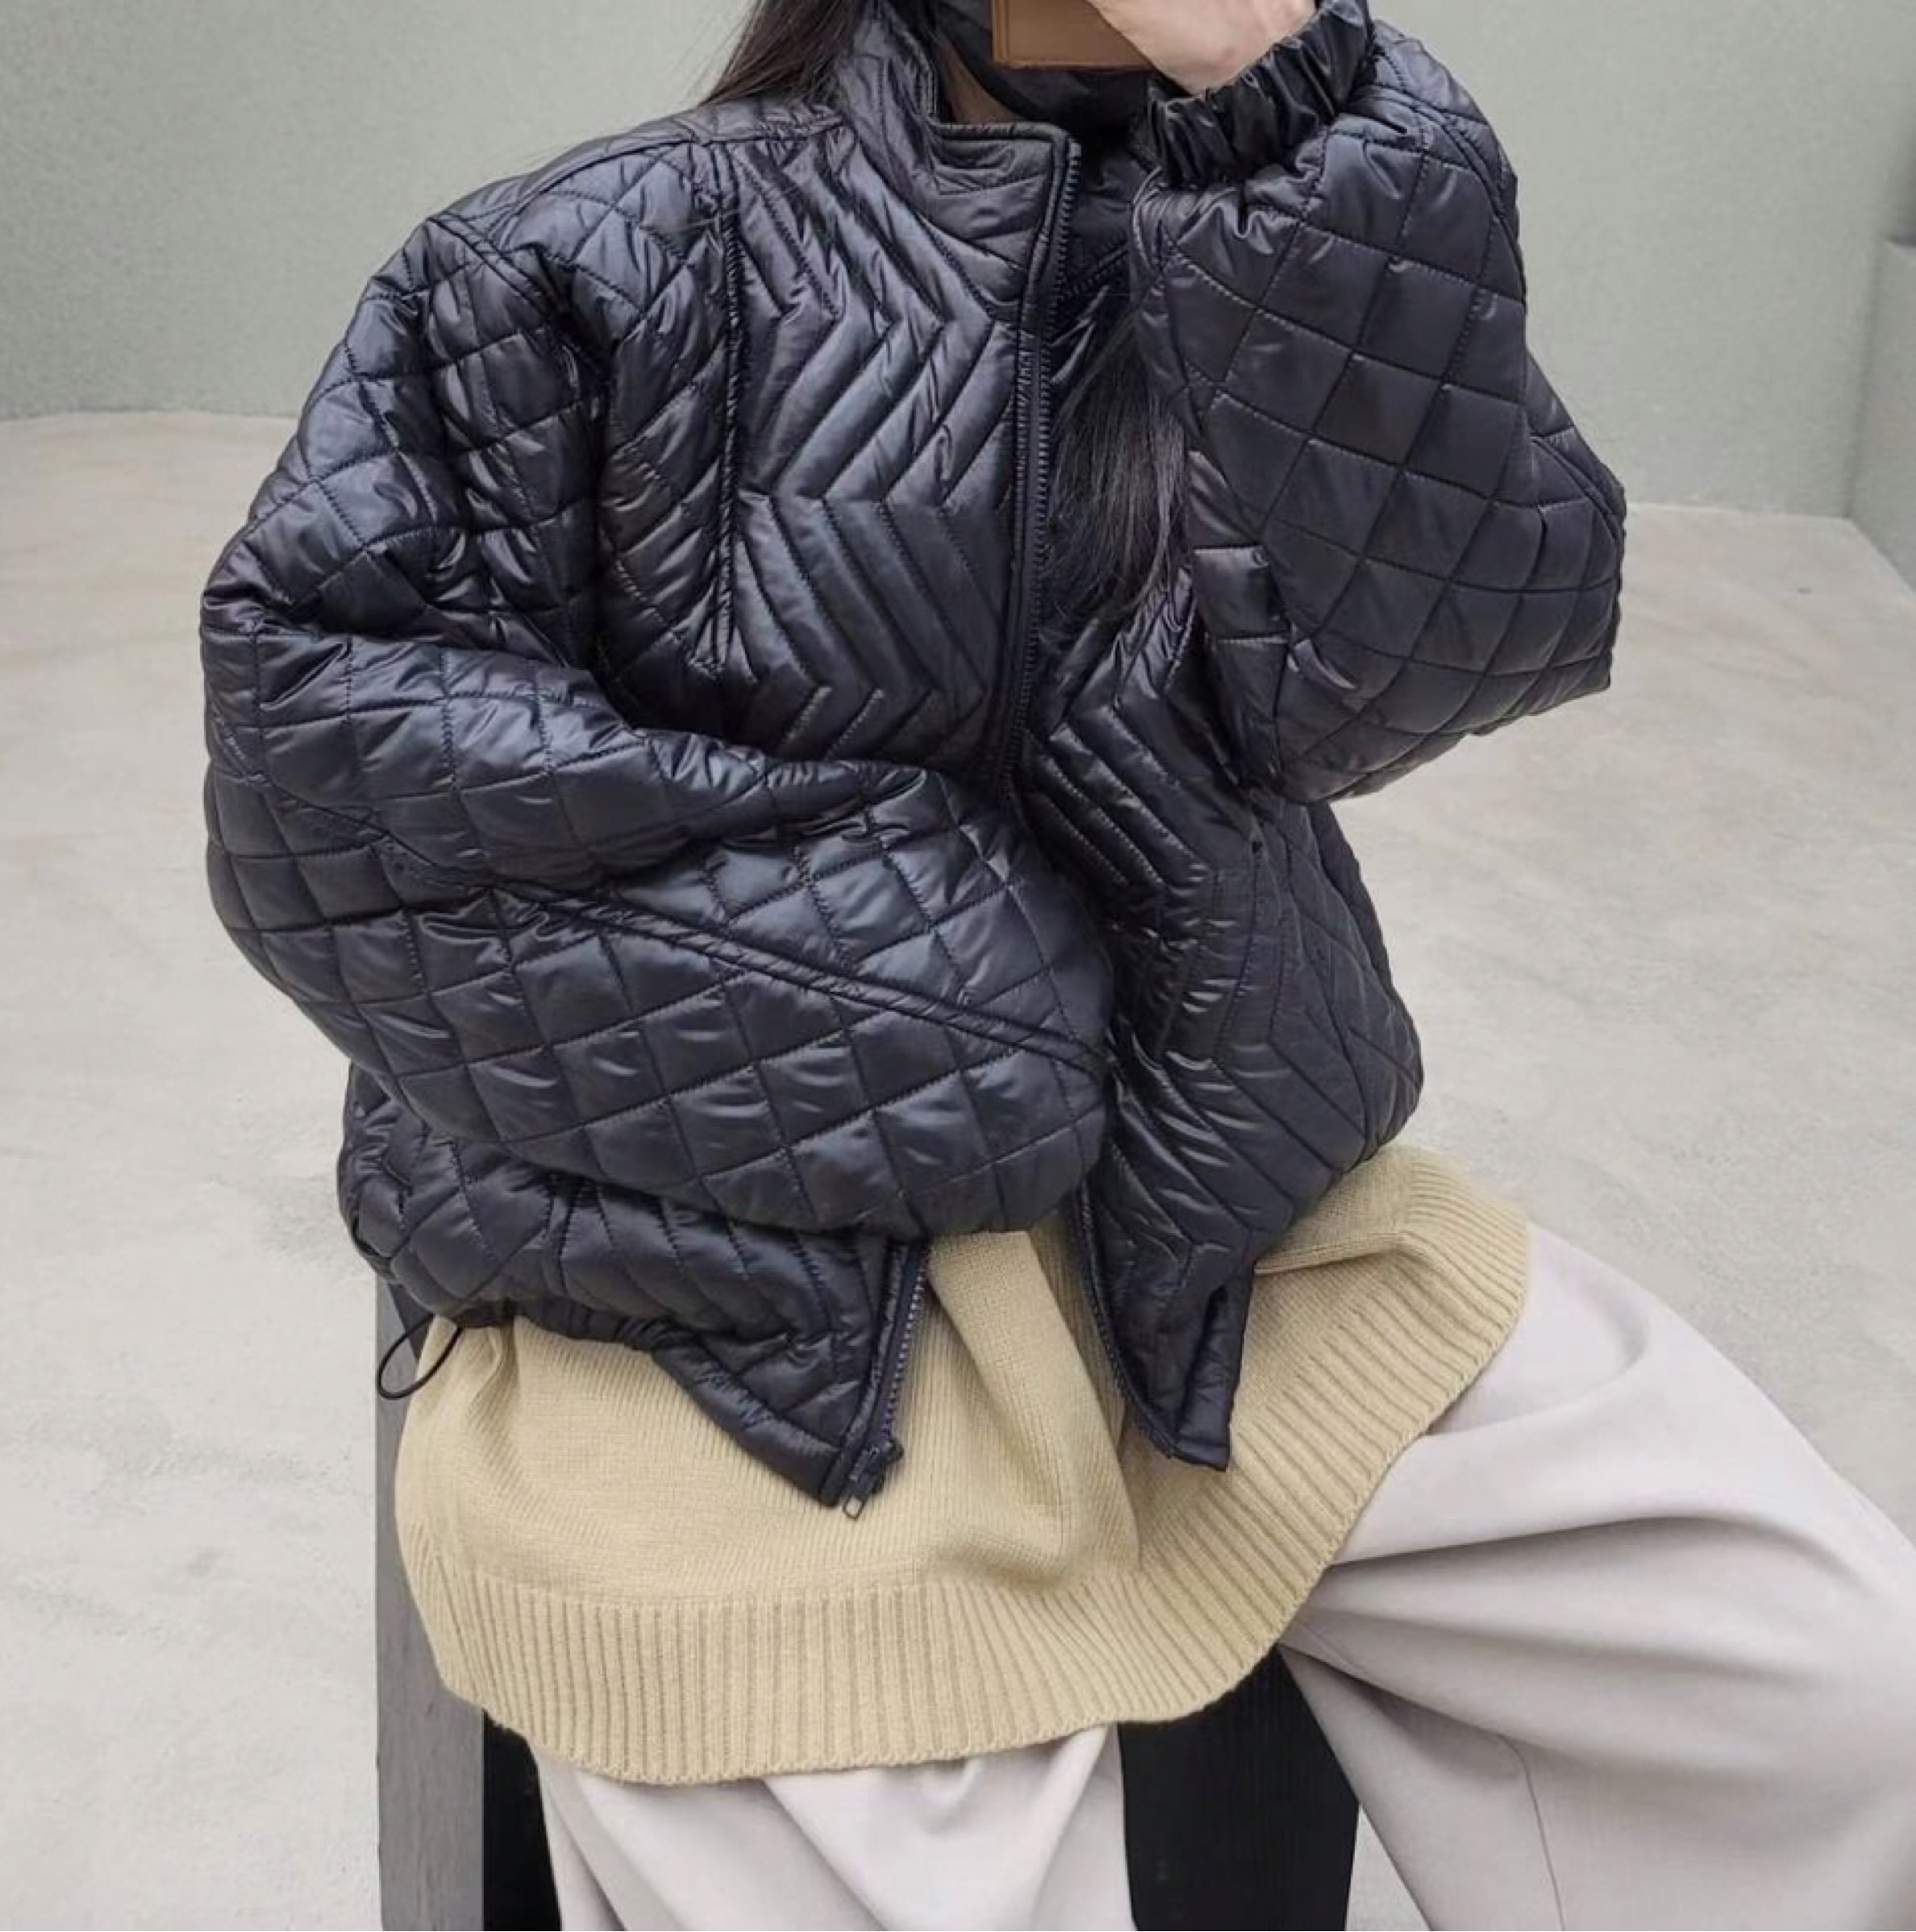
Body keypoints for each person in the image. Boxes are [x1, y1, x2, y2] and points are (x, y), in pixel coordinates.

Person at [196, 0, 1916, 1924]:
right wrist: (940, 1008)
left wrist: (1298, 117)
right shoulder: (584, 258)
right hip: (718, 1302)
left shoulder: (1267, 228)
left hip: (1230, 1250)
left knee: (1842, 1698)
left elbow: (1464, 651)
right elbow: (324, 786)